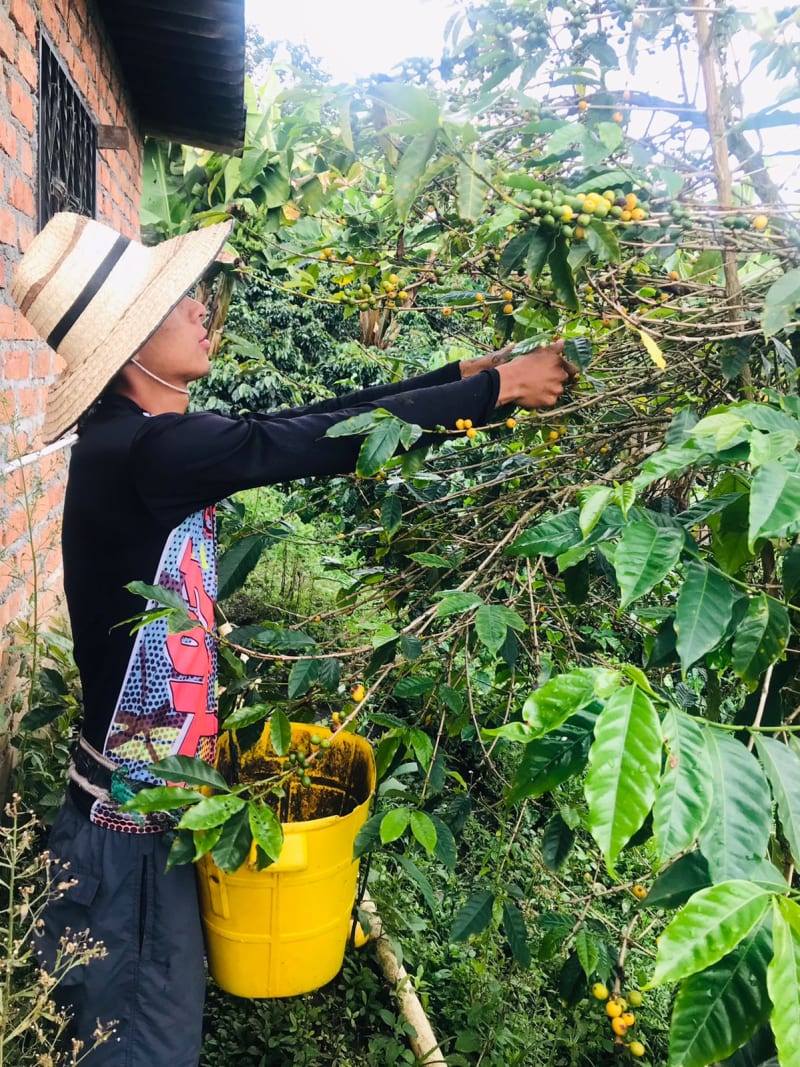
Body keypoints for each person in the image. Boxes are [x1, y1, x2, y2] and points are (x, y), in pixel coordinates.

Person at [10, 211, 573, 1065]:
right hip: (123, 850)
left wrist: (463, 377)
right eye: (178, 302)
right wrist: (494, 395)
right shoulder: (146, 453)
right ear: (130, 349)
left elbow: (313, 415)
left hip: (138, 825)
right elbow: (300, 444)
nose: (203, 310)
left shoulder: (145, 443)